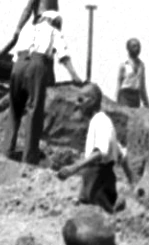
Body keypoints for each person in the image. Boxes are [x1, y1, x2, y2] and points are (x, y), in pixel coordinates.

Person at [0, 10, 83, 164]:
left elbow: (16, 54)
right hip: (37, 66)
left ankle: (6, 152)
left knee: (15, 110)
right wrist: (74, 76)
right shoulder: (54, 32)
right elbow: (63, 56)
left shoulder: (26, 28)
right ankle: (29, 158)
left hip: (18, 65)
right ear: (54, 22)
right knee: (34, 111)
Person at [56, 83, 134, 213]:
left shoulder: (101, 121)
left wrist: (74, 167)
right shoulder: (99, 122)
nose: (77, 104)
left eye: (80, 100)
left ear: (91, 101)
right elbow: (121, 154)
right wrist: (132, 181)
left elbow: (100, 153)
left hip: (100, 184)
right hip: (93, 184)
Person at [116, 38, 149, 109]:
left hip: (136, 96)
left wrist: (146, 104)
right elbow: (119, 84)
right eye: (134, 46)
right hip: (125, 95)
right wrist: (116, 101)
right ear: (128, 48)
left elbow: (142, 86)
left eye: (138, 46)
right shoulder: (123, 64)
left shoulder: (141, 65)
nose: (137, 49)